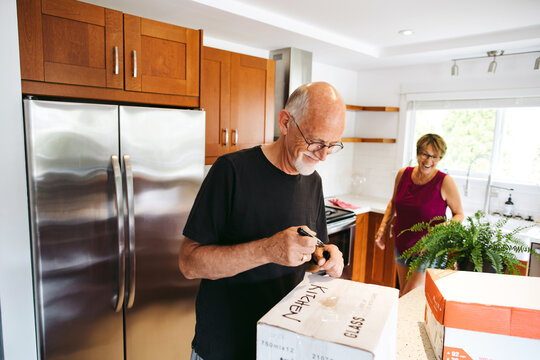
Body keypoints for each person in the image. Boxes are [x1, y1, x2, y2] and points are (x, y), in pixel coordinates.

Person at [179, 82, 347, 360]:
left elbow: (314, 250)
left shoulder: (313, 181)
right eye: (316, 142)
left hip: (280, 344)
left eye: (332, 145)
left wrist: (326, 257)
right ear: (285, 122)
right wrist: (268, 249)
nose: (323, 156)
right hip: (223, 348)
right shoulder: (231, 171)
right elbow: (189, 264)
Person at [375, 134, 464, 297]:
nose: (428, 160)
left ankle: (397, 322)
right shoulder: (403, 174)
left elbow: (459, 214)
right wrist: (382, 229)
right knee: (406, 295)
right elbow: (393, 203)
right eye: (424, 154)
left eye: (434, 156)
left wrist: (442, 230)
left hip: (429, 249)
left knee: (408, 296)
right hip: (402, 244)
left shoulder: (444, 181)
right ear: (417, 153)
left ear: (440, 158)